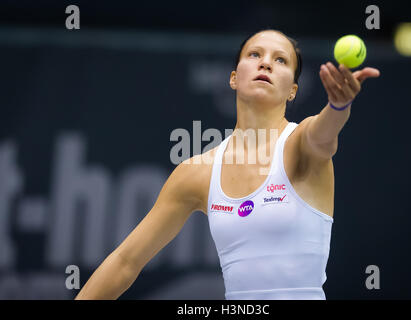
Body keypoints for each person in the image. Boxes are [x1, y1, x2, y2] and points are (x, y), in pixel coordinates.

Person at [75, 29, 380, 300]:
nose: (266, 63)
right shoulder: (196, 172)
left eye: (281, 60)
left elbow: (324, 135)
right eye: (255, 54)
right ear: (234, 77)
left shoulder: (302, 144)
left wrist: (339, 106)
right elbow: (126, 262)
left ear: (293, 91)